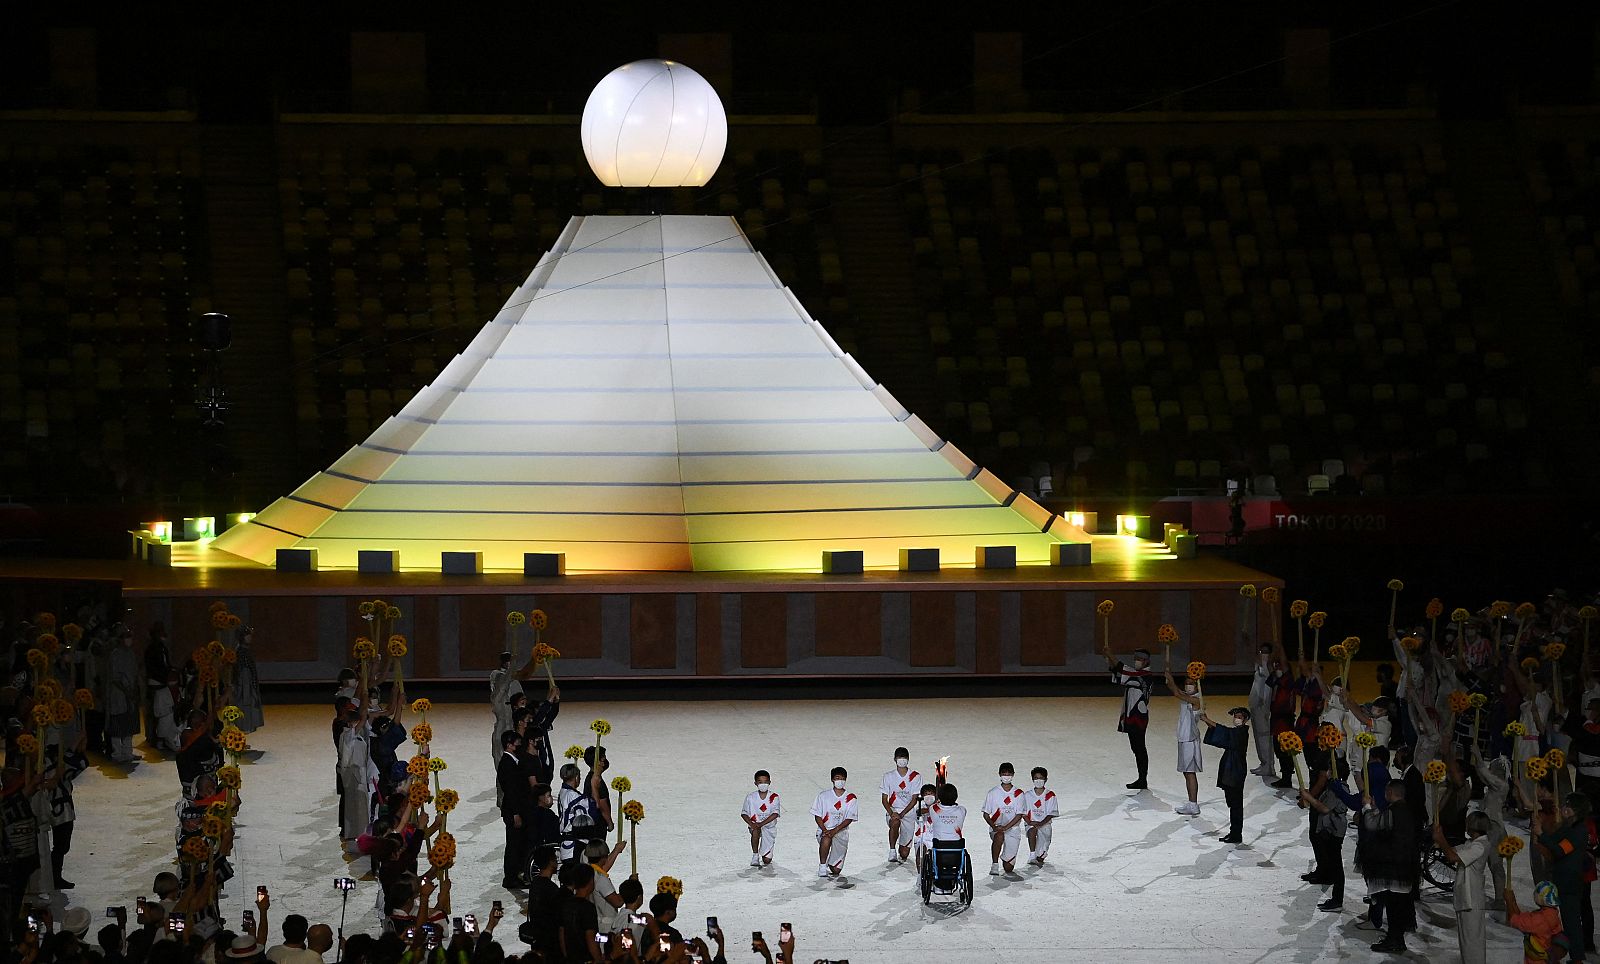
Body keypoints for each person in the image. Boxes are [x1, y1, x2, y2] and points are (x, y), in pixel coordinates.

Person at [1360, 781, 1420, 955]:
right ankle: (1395, 939)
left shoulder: (1395, 811)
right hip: (1406, 865)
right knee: (1399, 906)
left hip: (1394, 867)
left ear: (1390, 791)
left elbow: (1373, 824)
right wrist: (1375, 808)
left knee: (1394, 907)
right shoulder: (1406, 810)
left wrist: (1366, 807)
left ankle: (1395, 941)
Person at [1536, 789, 1591, 962]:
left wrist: (1541, 835)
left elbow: (1560, 850)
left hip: (1570, 883)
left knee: (1571, 923)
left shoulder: (1580, 831)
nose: (1564, 807)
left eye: (1569, 805)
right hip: (1560, 879)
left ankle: (1577, 959)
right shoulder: (1568, 826)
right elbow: (1552, 838)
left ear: (1577, 810)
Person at [1433, 811, 1493, 964]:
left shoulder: (1480, 846)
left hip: (1472, 899)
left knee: (1473, 944)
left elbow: (1453, 857)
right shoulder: (1471, 844)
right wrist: (1440, 840)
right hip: (1465, 898)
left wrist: (1441, 839)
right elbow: (1450, 852)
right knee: (1466, 943)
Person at [1105, 647, 1155, 790]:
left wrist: (1110, 655)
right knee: (1136, 747)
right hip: (1132, 714)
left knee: (1139, 748)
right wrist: (1111, 662)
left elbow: (1123, 670)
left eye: (1139, 659)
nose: (1137, 661)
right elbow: (1121, 675)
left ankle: (1142, 779)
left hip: (1137, 715)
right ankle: (1141, 778)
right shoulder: (1138, 674)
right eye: (1136, 659)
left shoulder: (1144, 675)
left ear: (1146, 661)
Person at [1300, 775, 1350, 912]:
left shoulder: (1338, 788)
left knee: (1337, 865)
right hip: (1329, 829)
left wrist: (1308, 797)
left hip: (1334, 830)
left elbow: (1324, 808)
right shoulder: (1332, 786)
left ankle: (1337, 900)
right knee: (1334, 863)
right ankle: (1335, 897)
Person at [1201, 706, 1251, 844]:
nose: (1236, 719)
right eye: (1235, 716)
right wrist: (1207, 722)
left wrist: (1207, 719)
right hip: (1232, 769)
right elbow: (1223, 733)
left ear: (1245, 720)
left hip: (1236, 770)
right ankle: (1234, 832)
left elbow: (1224, 732)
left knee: (1235, 804)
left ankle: (1236, 833)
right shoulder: (1237, 732)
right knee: (1233, 803)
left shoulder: (1241, 733)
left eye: (1239, 717)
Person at [1163, 662, 1203, 815]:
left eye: (1191, 683)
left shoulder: (1196, 700)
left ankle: (1193, 804)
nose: (1188, 686)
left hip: (1190, 740)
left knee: (1190, 772)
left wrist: (1171, 678)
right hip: (1184, 738)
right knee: (1187, 772)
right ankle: (1191, 802)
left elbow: (1177, 693)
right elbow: (1174, 689)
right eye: (1186, 683)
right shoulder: (1188, 697)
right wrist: (1168, 676)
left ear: (1197, 685)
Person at [336, 698, 375, 851]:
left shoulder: (353, 735)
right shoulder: (347, 736)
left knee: (360, 807)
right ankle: (355, 835)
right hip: (353, 776)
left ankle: (360, 834)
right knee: (355, 807)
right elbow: (346, 759)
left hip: (359, 774)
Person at [497, 729, 532, 889]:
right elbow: (511, 792)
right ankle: (510, 878)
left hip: (516, 810)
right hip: (513, 811)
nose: (520, 745)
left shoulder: (512, 761)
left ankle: (515, 875)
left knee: (517, 844)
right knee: (513, 846)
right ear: (509, 745)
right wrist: (516, 814)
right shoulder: (508, 764)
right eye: (517, 743)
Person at [811, 765, 859, 879]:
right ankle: (822, 866)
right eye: (837, 778)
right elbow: (817, 816)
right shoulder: (823, 796)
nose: (840, 781)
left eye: (842, 778)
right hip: (825, 829)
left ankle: (829, 858)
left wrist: (835, 830)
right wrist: (825, 830)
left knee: (836, 870)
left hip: (841, 832)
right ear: (832, 779)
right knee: (826, 838)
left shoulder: (851, 798)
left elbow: (849, 819)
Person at [1507, 880, 1568, 964]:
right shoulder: (1552, 914)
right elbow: (1523, 918)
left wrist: (1509, 901)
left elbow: (1516, 921)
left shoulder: (1541, 919)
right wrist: (1513, 901)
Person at [982, 763, 1027, 876]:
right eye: (1004, 773)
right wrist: (994, 827)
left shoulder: (1019, 794)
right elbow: (986, 814)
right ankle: (995, 864)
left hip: (1013, 829)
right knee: (999, 835)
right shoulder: (993, 793)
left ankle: (1005, 858)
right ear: (999, 774)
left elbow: (1019, 815)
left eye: (1009, 774)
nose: (1006, 776)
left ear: (1013, 775)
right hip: (996, 828)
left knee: (1008, 868)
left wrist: (1006, 827)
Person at [520, 846, 563, 958]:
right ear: (550, 862)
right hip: (548, 941)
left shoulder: (535, 883)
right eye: (555, 859)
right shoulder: (551, 888)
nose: (557, 862)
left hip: (538, 937)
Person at [105, 625, 140, 763]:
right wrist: (127, 691)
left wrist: (134, 691)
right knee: (118, 724)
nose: (129, 640)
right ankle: (117, 753)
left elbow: (134, 673)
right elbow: (115, 678)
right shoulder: (115, 654)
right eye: (126, 637)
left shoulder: (131, 654)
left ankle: (127, 752)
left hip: (130, 694)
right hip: (119, 695)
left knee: (129, 724)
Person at [880, 747, 920, 864]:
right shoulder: (888, 776)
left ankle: (901, 849)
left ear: (908, 759)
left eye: (904, 758)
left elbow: (914, 799)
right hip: (893, 810)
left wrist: (902, 814)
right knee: (895, 822)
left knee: (904, 854)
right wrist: (893, 813)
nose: (902, 760)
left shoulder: (915, 777)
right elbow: (884, 799)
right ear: (895, 759)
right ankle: (892, 850)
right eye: (899, 757)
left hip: (908, 813)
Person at [556, 860, 601, 963]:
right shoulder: (588, 908)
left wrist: (566, 956)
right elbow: (590, 937)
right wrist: (598, 960)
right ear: (590, 882)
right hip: (585, 958)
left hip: (571, 958)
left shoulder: (566, 904)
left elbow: (562, 932)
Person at [1247, 643, 1277, 779]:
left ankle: (1268, 765)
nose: (1262, 654)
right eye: (1261, 651)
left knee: (1264, 735)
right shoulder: (1259, 664)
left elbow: (1268, 685)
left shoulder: (1267, 666)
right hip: (1256, 703)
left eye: (1265, 652)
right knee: (1258, 736)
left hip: (1263, 704)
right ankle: (1264, 762)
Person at [741, 769, 780, 867]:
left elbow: (775, 814)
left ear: (769, 782)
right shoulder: (750, 797)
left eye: (766, 782)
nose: (763, 784)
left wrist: (761, 824)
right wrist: (752, 824)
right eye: (760, 782)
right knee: (755, 830)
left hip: (769, 828)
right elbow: (744, 813)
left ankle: (765, 853)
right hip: (755, 825)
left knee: (767, 861)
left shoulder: (774, 797)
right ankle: (755, 855)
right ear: (755, 783)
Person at [1022, 766, 1059, 866]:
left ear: (1046, 779)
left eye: (1041, 778)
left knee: (1041, 857)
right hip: (1031, 823)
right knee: (1032, 830)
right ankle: (1032, 855)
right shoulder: (1027, 795)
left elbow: (1051, 813)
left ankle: (1039, 854)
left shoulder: (1050, 795)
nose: (1038, 780)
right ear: (1032, 779)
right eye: (1036, 778)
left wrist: (1041, 824)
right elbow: (1022, 812)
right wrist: (1029, 822)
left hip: (1045, 825)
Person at [233, 627, 265, 733]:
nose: (250, 637)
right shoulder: (240, 652)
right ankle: (244, 728)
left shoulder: (245, 651)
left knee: (249, 705)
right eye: (247, 635)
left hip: (248, 682)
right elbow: (242, 671)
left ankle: (247, 727)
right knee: (245, 706)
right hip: (244, 685)